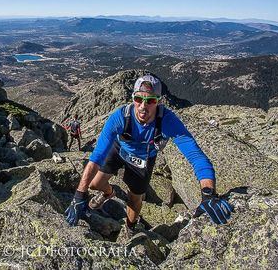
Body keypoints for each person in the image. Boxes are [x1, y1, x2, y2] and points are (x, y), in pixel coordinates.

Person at [65, 74, 232, 233]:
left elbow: (196, 156)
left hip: (144, 158)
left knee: (134, 198)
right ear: (133, 99)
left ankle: (130, 227)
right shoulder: (120, 117)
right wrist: (79, 195)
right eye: (139, 99)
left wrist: (208, 194)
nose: (143, 106)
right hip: (119, 148)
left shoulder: (167, 120)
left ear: (158, 102)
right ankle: (109, 193)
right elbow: (95, 158)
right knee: (94, 184)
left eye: (150, 100)